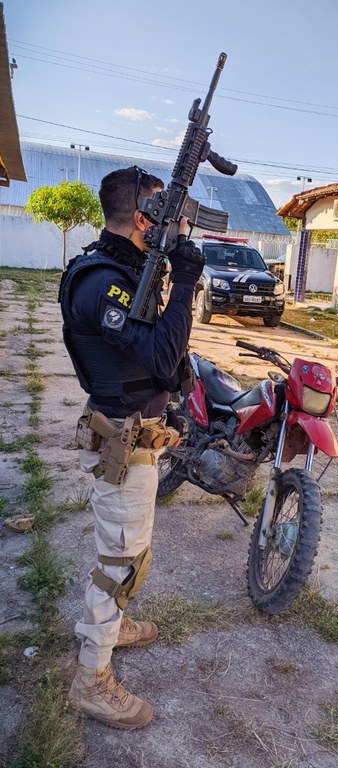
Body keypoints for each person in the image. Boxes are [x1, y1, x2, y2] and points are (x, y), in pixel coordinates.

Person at [59, 166, 204, 730]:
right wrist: (187, 284)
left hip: (134, 437)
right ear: (145, 219)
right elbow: (163, 357)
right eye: (167, 211)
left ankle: (112, 629)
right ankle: (91, 677)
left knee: (127, 548)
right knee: (120, 561)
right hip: (120, 440)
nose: (181, 220)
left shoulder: (125, 269)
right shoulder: (103, 283)